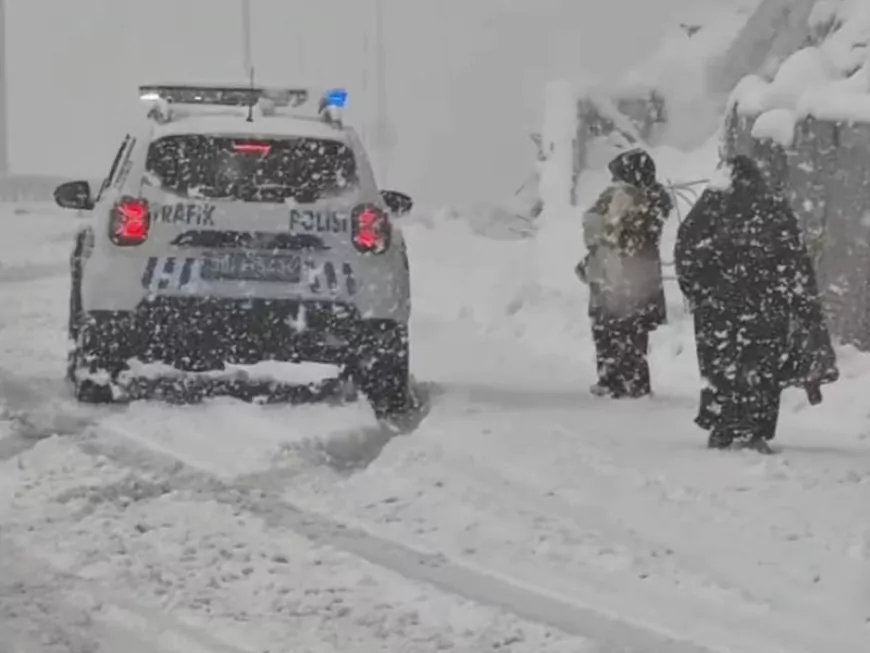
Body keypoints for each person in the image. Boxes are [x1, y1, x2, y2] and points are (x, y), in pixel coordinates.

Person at [674, 154, 838, 453]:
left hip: (719, 308)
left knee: (720, 365)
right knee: (761, 367)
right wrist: (798, 303)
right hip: (765, 306)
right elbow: (795, 260)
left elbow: (686, 249)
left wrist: (701, 291)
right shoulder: (772, 207)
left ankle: (723, 425)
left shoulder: (710, 206)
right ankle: (754, 427)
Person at [576, 148, 673, 398]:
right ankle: (617, 379)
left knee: (623, 330)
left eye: (618, 176)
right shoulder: (634, 199)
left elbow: (614, 236)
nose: (613, 182)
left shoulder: (638, 201)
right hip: (625, 275)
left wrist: (603, 238)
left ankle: (626, 381)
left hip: (626, 276)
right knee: (616, 329)